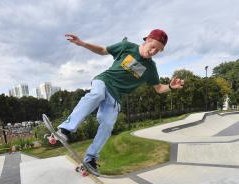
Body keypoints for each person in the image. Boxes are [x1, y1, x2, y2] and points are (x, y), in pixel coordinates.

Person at [57, 29, 185, 175]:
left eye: (158, 50)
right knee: (96, 95)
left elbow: (158, 88)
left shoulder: (151, 68)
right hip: (105, 81)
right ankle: (65, 129)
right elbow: (103, 50)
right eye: (153, 47)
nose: (153, 52)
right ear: (147, 40)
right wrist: (82, 43)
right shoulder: (127, 47)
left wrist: (170, 87)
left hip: (116, 96)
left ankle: (90, 159)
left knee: (107, 124)